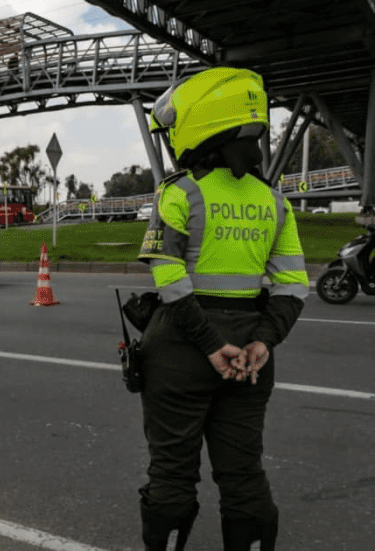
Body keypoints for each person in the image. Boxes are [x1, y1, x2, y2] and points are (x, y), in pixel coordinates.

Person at [136, 67, 309, 550]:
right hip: (252, 351)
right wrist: (262, 342)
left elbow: (168, 277)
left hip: (182, 350)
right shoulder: (274, 202)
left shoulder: (181, 192)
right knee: (244, 473)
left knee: (171, 472)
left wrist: (213, 346)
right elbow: (294, 286)